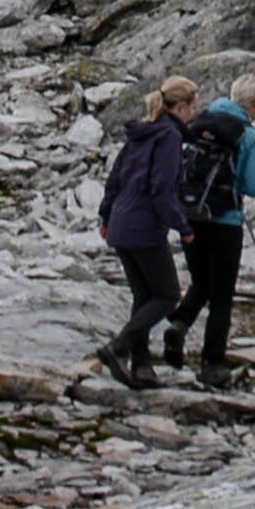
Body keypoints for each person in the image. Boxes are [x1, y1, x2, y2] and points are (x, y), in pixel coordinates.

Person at [166, 72, 255, 387]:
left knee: (200, 281)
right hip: (225, 221)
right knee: (222, 295)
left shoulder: (199, 122)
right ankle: (212, 363)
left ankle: (179, 325)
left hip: (189, 215)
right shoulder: (250, 137)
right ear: (253, 104)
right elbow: (253, 187)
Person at [97, 74, 197, 387]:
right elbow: (161, 191)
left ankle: (141, 367)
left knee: (144, 296)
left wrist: (105, 215)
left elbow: (115, 177)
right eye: (193, 106)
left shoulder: (142, 131)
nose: (193, 112)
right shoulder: (168, 137)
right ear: (180, 107)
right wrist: (183, 227)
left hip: (120, 225)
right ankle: (119, 347)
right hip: (143, 227)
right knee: (167, 294)